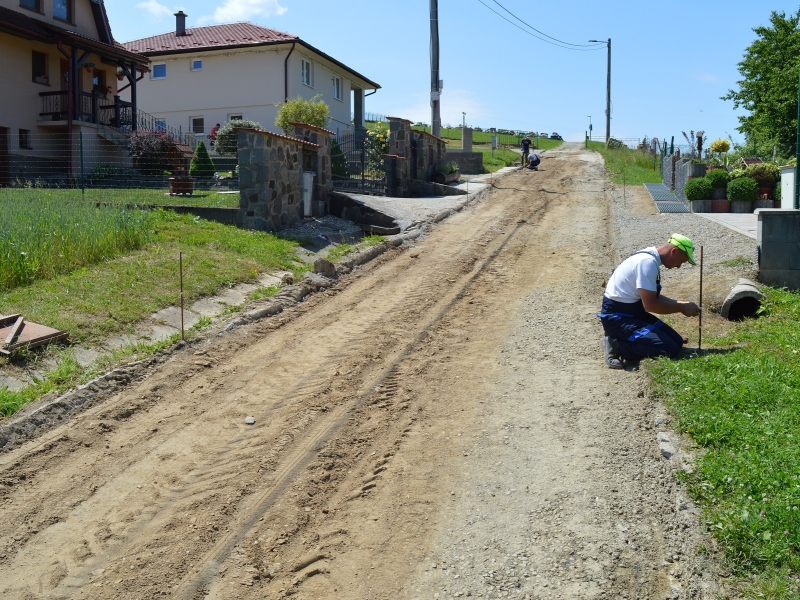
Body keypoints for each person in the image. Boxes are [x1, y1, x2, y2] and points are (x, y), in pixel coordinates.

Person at [598, 234, 700, 369]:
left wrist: (682, 303)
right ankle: (617, 345)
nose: (679, 266)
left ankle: (626, 342)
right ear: (674, 251)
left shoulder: (649, 257)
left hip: (633, 312)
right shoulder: (647, 263)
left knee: (677, 342)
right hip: (619, 318)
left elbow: (651, 296)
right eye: (681, 261)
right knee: (668, 348)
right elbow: (651, 305)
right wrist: (681, 308)